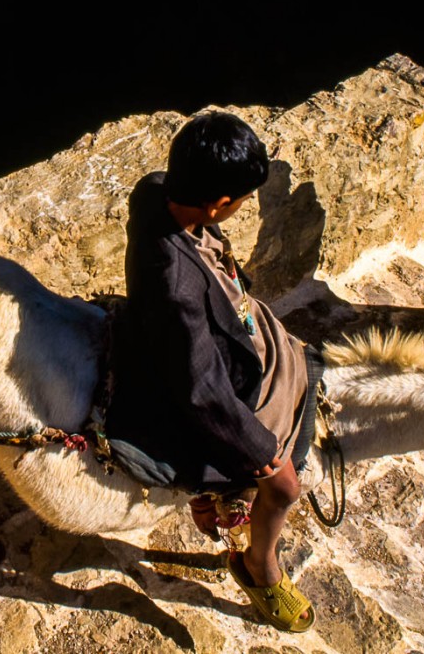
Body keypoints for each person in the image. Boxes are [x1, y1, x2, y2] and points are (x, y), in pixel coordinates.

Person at [105, 111, 316, 632]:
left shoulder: (154, 189)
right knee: (285, 485)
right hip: (193, 375)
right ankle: (260, 569)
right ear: (219, 204)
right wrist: (265, 457)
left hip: (211, 332)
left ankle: (222, 500)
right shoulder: (176, 283)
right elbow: (201, 390)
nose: (239, 209)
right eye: (241, 201)